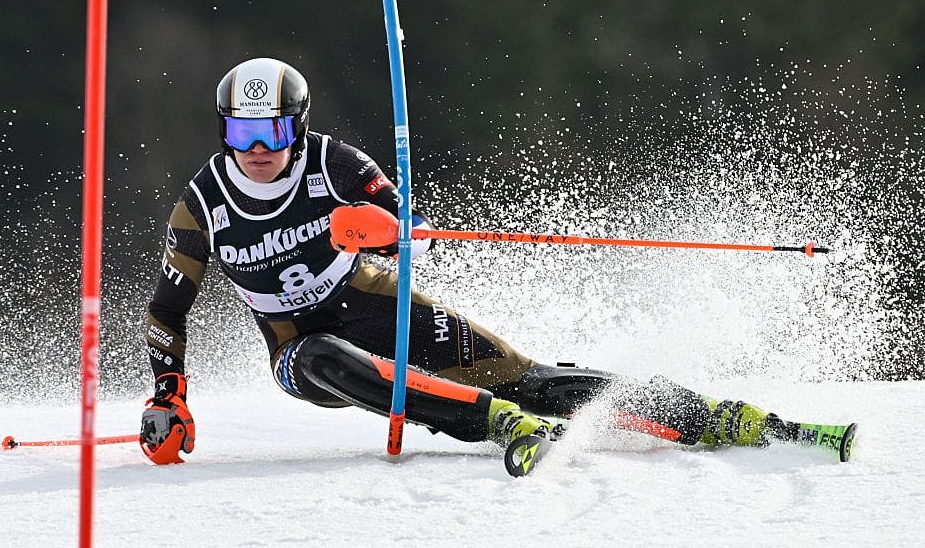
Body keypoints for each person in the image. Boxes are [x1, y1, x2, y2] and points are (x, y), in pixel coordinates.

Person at [139, 57, 855, 466]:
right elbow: (168, 311)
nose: (255, 147)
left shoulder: (333, 164)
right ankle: (497, 424)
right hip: (298, 344)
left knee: (531, 377)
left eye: (269, 129)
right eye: (240, 129)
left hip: (376, 298)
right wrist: (168, 395)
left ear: (294, 125)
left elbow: (412, 227)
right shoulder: (204, 203)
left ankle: (724, 418)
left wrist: (385, 230)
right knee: (324, 357)